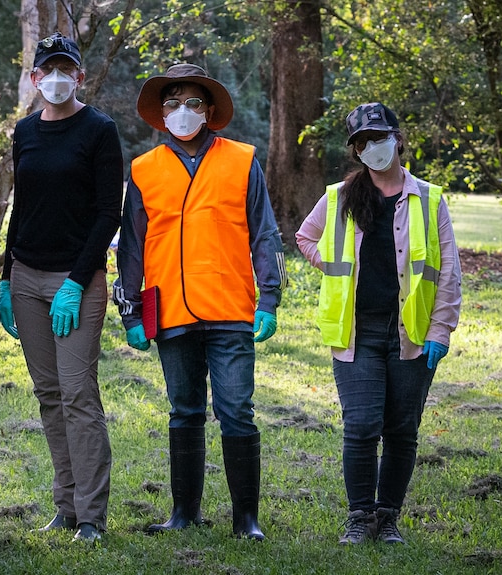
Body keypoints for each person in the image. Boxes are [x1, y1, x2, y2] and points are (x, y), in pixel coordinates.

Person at [113, 63, 286, 541]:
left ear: (209, 111)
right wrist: (129, 311)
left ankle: (246, 519)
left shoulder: (242, 159)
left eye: (192, 102)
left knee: (236, 410)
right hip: (169, 310)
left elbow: (265, 233)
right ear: (161, 115)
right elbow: (131, 246)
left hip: (232, 309)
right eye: (172, 104)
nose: (182, 111)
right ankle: (183, 512)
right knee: (183, 410)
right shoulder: (144, 170)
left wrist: (268, 298)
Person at [296, 102, 462, 545]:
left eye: (380, 137)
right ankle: (359, 517)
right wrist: (333, 268)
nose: (374, 147)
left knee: (402, 430)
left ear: (398, 139)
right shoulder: (338, 198)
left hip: (412, 334)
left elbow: (447, 272)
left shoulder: (429, 199)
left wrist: (440, 330)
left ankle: (387, 518)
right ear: (355, 150)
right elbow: (304, 237)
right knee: (362, 426)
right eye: (363, 142)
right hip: (357, 331)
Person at [0, 32, 123, 543]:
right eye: (45, 70)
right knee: (49, 394)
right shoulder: (24, 133)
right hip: (26, 276)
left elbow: (107, 213)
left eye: (64, 70)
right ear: (34, 79)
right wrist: (7, 277)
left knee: (77, 394)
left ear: (79, 76)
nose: (55, 78)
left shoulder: (99, 130)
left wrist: (77, 281)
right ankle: (66, 505)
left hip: (78, 278)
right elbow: (20, 206)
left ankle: (92, 516)